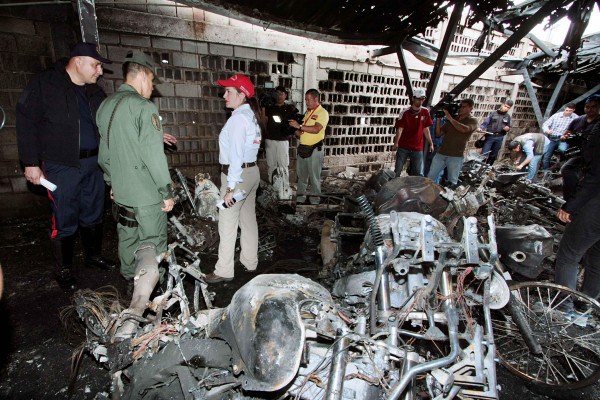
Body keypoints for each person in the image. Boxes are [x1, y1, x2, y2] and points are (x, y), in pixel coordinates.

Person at [16, 42, 115, 290]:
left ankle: (93, 256)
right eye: (96, 65)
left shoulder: (95, 93)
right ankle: (63, 269)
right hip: (62, 165)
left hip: (94, 163)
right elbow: (26, 121)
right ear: (78, 61)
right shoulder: (46, 84)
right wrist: (30, 163)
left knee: (94, 210)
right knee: (65, 216)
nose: (100, 71)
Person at [96, 50, 175, 286]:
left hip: (122, 194)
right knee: (153, 247)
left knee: (128, 240)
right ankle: (154, 299)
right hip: (147, 197)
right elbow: (153, 156)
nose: (152, 88)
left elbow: (104, 154)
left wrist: (111, 183)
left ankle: (131, 285)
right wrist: (166, 191)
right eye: (152, 81)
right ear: (142, 74)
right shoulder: (144, 107)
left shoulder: (105, 106)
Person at [204, 74, 262, 283]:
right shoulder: (250, 116)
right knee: (248, 219)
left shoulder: (238, 119)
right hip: (251, 174)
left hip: (237, 177)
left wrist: (230, 187)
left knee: (227, 222)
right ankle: (250, 261)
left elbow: (236, 155)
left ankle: (224, 270)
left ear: (241, 94)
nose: (224, 95)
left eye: (229, 91)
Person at [554, 122, 600, 308]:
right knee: (596, 259)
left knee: (569, 255)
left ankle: (564, 308)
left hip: (595, 207)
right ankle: (586, 305)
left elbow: (595, 177)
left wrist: (571, 205)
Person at [288, 89, 329, 205]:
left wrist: (299, 126)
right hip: (303, 149)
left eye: (308, 99)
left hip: (315, 150)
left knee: (314, 178)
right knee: (302, 177)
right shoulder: (307, 113)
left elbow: (316, 129)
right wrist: (296, 130)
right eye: (306, 99)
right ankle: (300, 199)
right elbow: (301, 132)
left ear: (316, 99)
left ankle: (315, 201)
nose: (306, 102)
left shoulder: (322, 113)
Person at [427, 99, 478, 187]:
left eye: (464, 107)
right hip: (441, 153)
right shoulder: (453, 119)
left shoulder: (472, 120)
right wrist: (438, 120)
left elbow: (464, 129)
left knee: (452, 181)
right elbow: (438, 134)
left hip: (456, 156)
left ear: (470, 108)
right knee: (430, 177)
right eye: (460, 106)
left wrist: (450, 118)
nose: (461, 109)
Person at [559, 97, 600, 201]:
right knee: (566, 170)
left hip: (595, 157)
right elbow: (565, 134)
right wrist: (565, 138)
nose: (590, 109)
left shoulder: (598, 123)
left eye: (593, 107)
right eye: (587, 107)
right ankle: (569, 200)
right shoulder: (578, 120)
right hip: (579, 153)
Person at [261, 86, 298, 193]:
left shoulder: (290, 108)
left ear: (285, 95)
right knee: (271, 165)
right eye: (277, 94)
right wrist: (263, 109)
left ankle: (285, 188)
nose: (279, 96)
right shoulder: (270, 107)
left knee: (283, 165)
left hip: (283, 141)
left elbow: (294, 124)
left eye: (282, 94)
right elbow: (264, 122)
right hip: (270, 140)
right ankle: (271, 189)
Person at [393, 88, 434, 177]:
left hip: (417, 147)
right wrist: (396, 143)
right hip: (404, 146)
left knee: (419, 172)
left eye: (422, 99)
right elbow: (400, 129)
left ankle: (417, 189)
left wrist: (431, 143)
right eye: (418, 99)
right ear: (413, 99)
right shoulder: (405, 113)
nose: (420, 101)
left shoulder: (425, 111)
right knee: (397, 170)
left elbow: (426, 129)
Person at [541, 103, 578, 170]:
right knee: (546, 156)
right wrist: (547, 130)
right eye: (567, 110)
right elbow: (545, 124)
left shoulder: (575, 117)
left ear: (573, 110)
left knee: (563, 150)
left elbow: (578, 127)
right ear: (565, 109)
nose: (568, 112)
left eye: (570, 111)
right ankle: (546, 171)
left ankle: (561, 167)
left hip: (563, 138)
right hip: (552, 138)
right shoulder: (556, 116)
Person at [479, 99, 513, 164]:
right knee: (484, 154)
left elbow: (509, 127)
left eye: (508, 107)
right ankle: (479, 168)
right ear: (502, 105)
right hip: (490, 136)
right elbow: (485, 123)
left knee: (493, 155)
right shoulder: (493, 113)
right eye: (505, 106)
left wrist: (507, 128)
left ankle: (488, 169)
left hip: (499, 137)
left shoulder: (508, 117)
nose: (506, 108)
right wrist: (481, 128)